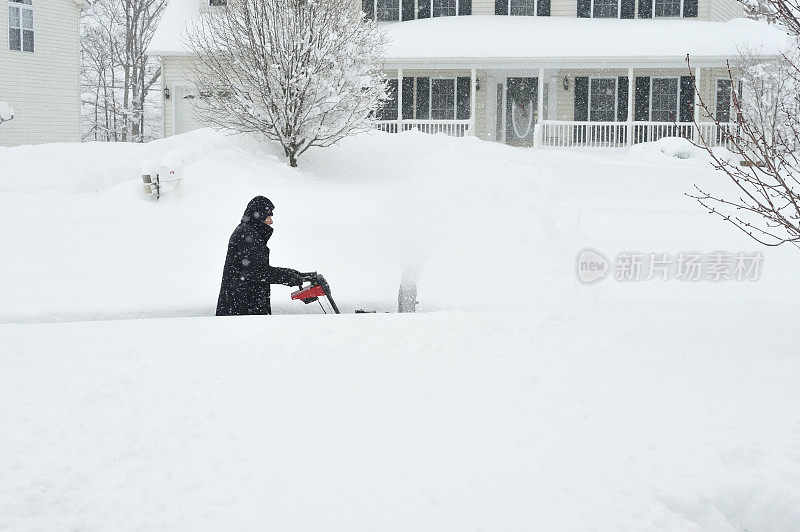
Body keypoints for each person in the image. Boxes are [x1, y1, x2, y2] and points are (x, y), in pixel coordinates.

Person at [216, 196, 304, 316]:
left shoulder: (249, 232)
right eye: (269, 216)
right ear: (259, 215)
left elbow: (256, 268)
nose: (271, 221)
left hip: (243, 304)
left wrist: (293, 274)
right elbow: (256, 272)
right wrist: (288, 276)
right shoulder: (248, 235)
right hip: (242, 308)